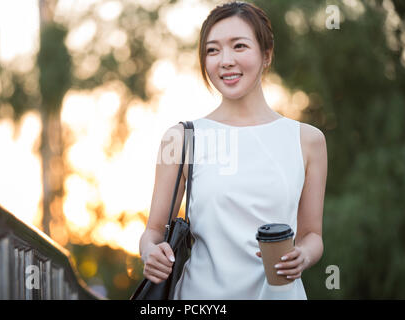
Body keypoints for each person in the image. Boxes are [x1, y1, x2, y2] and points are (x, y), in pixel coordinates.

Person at [138, 1, 327, 299]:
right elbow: (152, 232)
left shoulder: (308, 140)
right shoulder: (181, 139)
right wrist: (150, 252)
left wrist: (302, 255)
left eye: (239, 46)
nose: (225, 60)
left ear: (266, 55)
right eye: (212, 50)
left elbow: (312, 235)